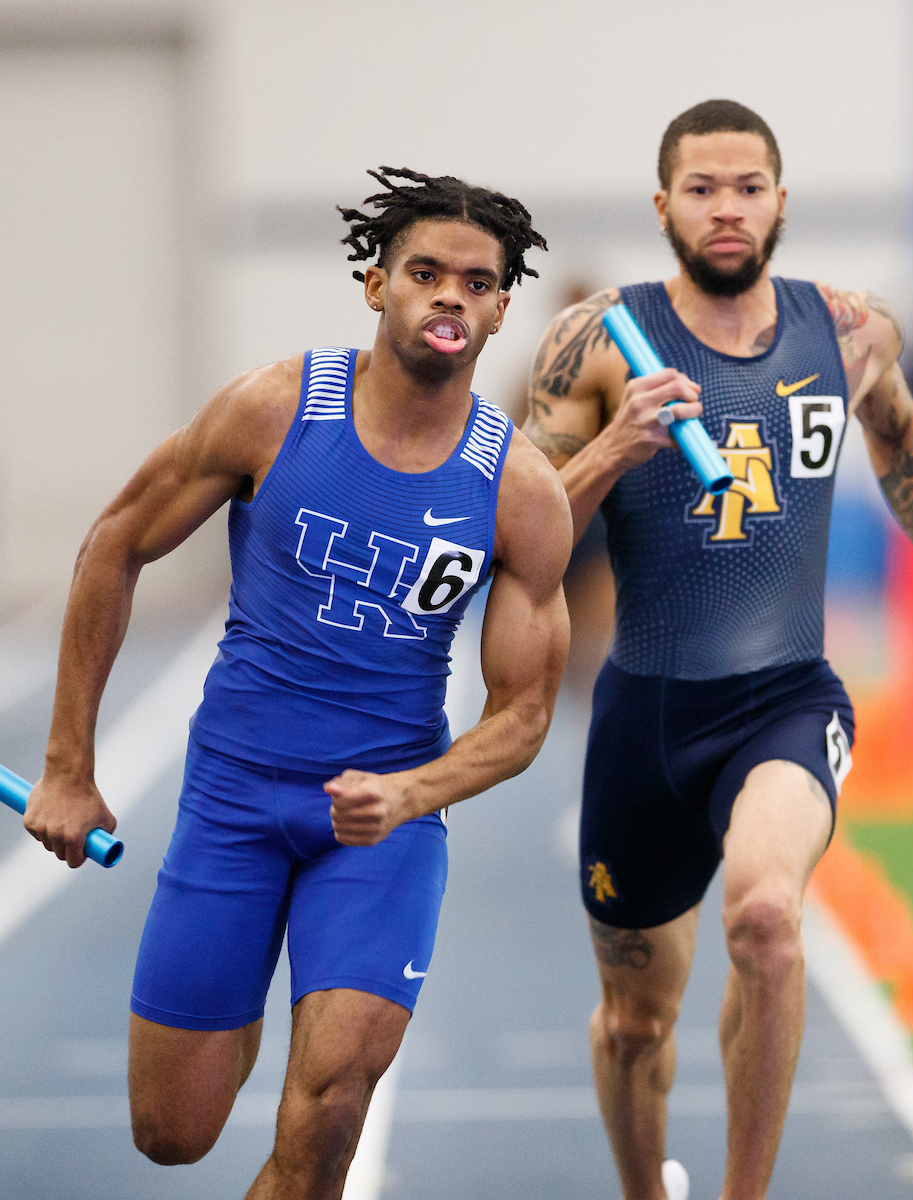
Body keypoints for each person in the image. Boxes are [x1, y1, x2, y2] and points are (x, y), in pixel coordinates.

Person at [24, 166, 572, 1199]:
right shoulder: (274, 411)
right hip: (232, 798)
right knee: (171, 1133)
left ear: (501, 307)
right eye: (425, 272)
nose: (448, 294)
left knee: (325, 1117)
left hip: (380, 826)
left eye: (474, 281)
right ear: (376, 286)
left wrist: (410, 795)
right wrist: (67, 765)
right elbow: (113, 545)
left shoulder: (522, 492)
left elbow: (525, 715)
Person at [523, 100, 913, 1200]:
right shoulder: (591, 342)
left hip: (784, 699)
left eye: (748, 186)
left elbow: (908, 446)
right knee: (635, 1020)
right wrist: (616, 447)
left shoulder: (849, 330)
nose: (728, 208)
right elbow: (516, 540)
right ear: (664, 205)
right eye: (704, 188)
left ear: (780, 201)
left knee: (766, 918)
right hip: (645, 716)